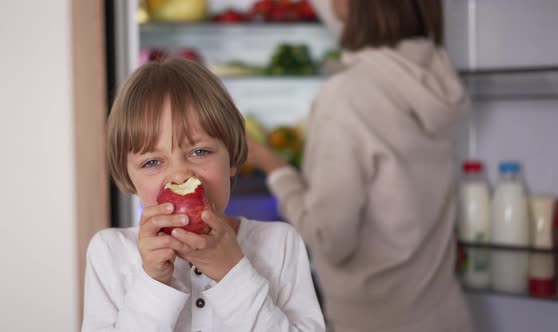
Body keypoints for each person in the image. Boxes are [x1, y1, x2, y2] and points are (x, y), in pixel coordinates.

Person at [246, 0, 474, 331]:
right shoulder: (436, 78)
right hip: (445, 314)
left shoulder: (347, 96)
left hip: (378, 320)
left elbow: (329, 240)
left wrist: (271, 164)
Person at [81, 58, 325, 331]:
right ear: (128, 176)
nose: (181, 175)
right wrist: (153, 281)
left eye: (200, 152)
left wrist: (232, 273)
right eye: (152, 162)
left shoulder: (280, 244)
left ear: (232, 159)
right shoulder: (110, 253)